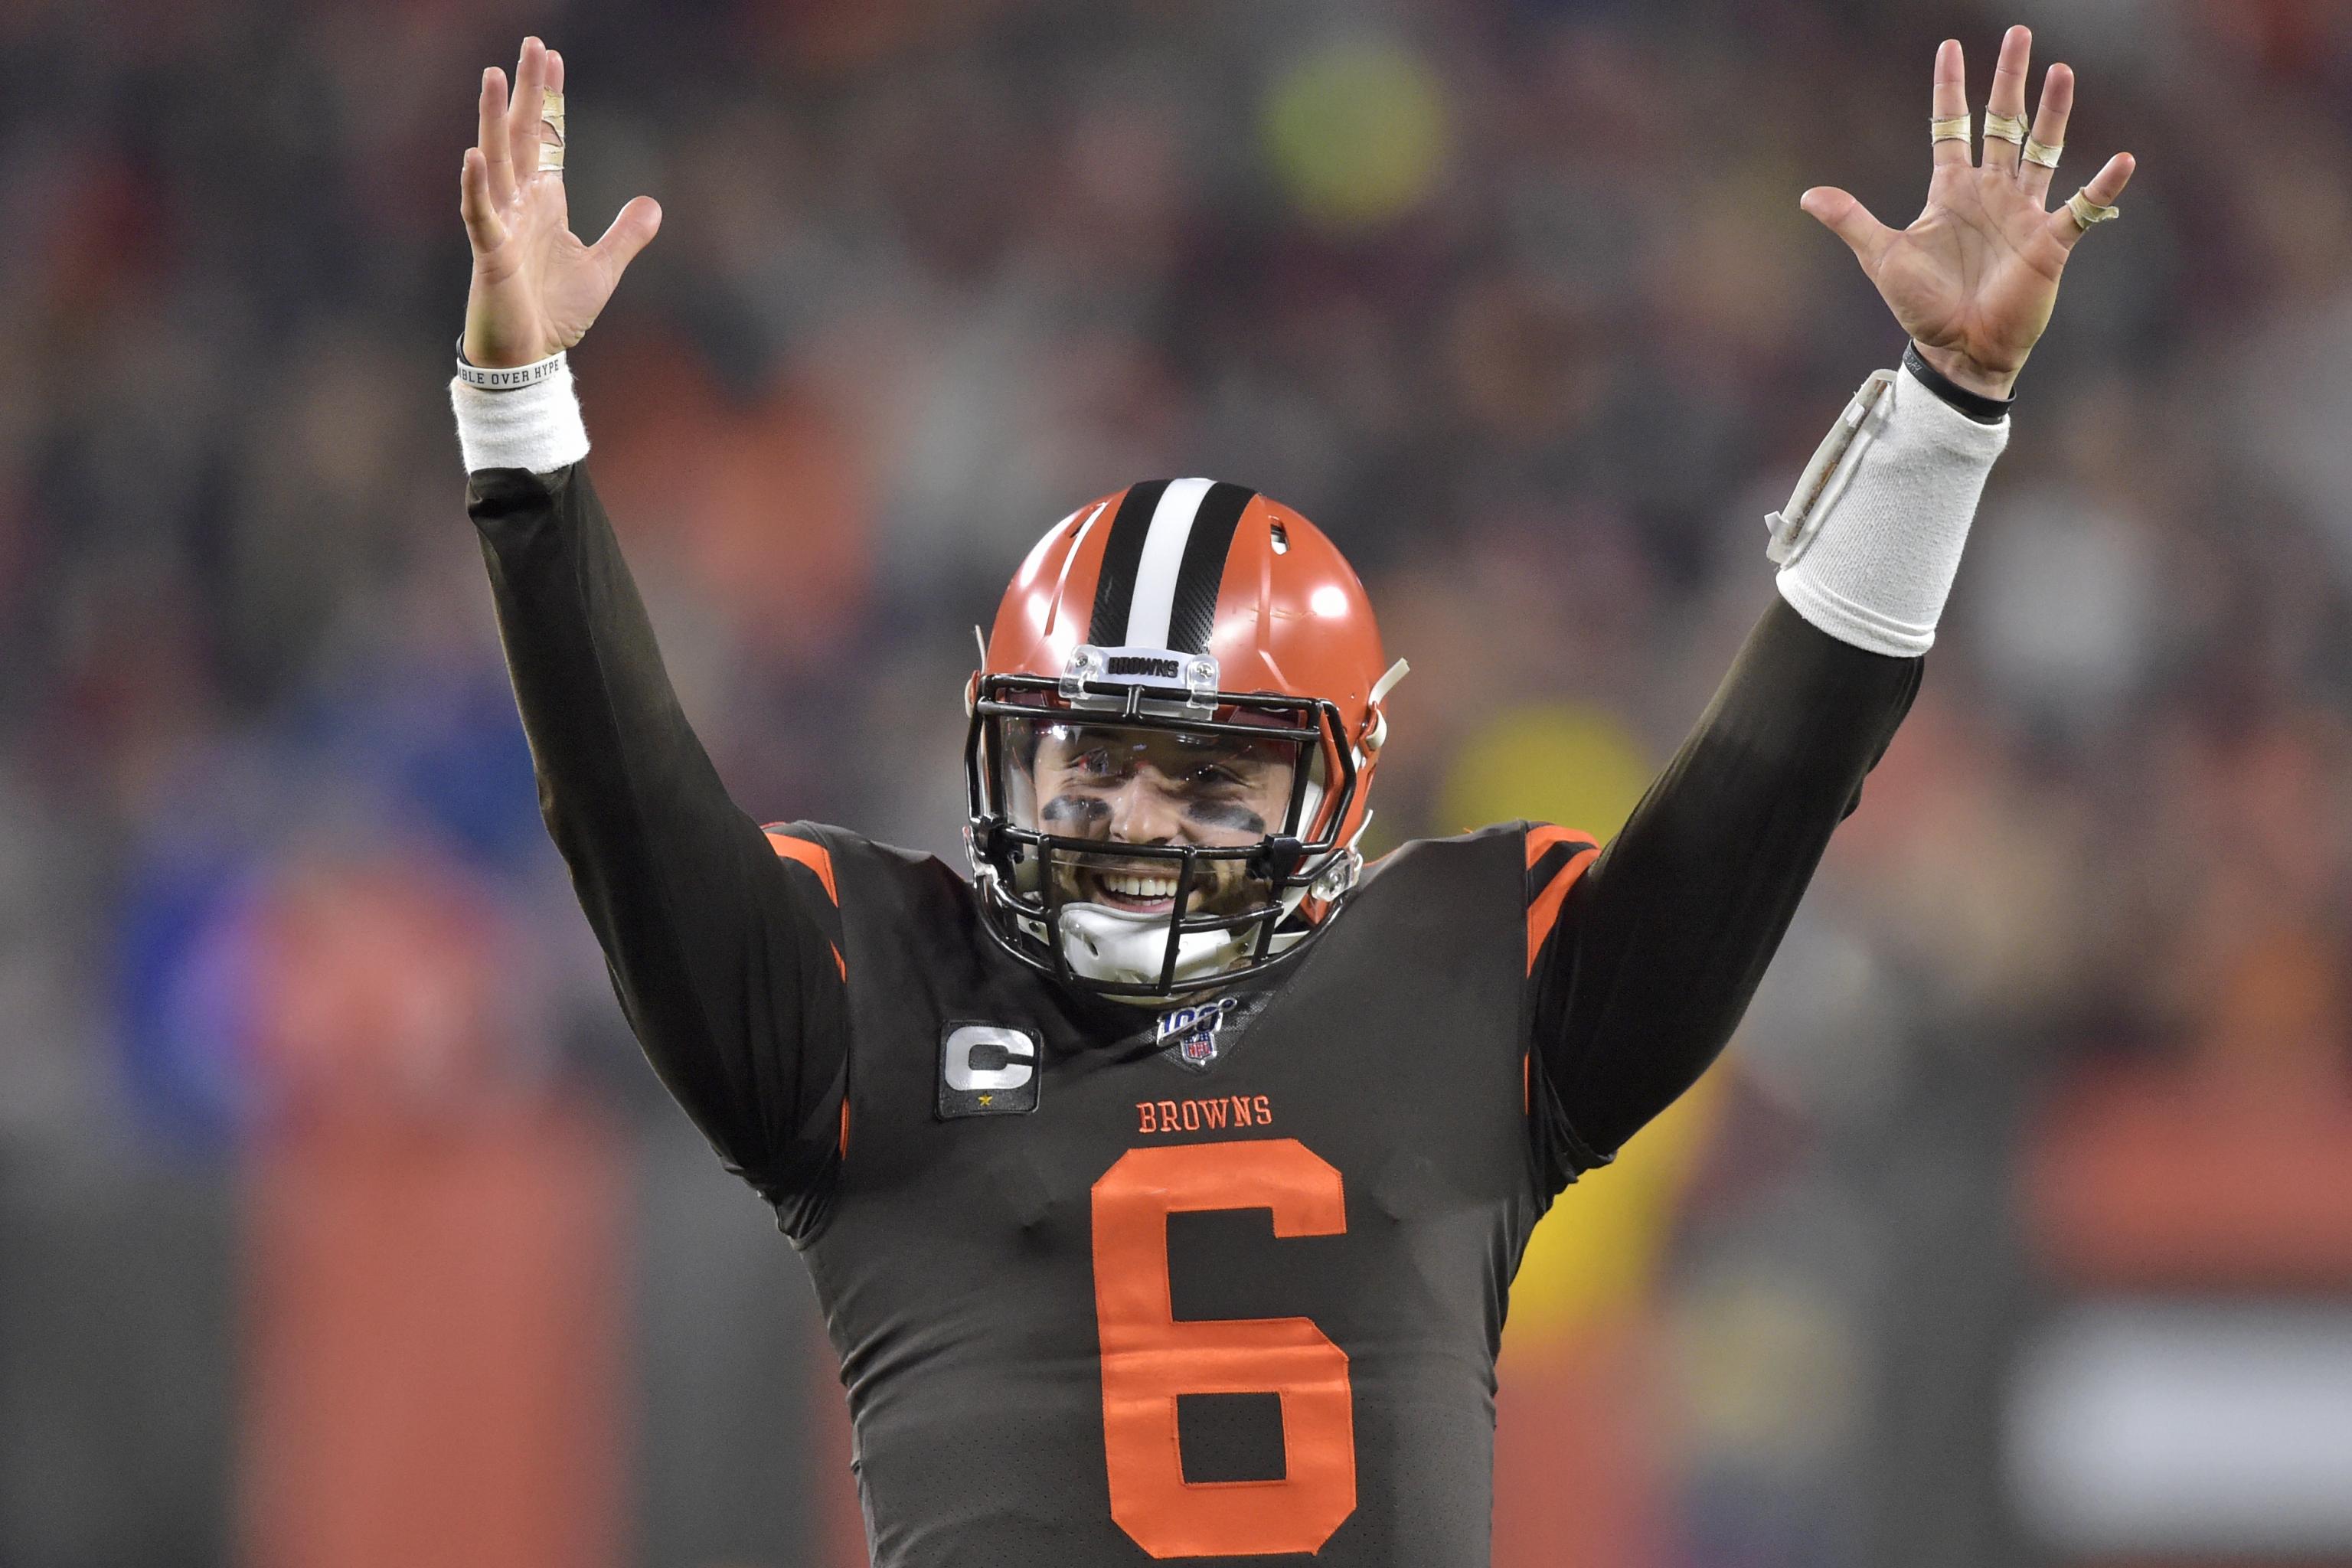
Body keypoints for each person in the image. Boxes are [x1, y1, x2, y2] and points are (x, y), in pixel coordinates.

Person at [450, 28, 2132, 1566]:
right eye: (1091, 755)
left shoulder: (1480, 979)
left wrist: (1942, 420)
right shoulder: (863, 993)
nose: (1135, 815)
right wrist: (521, 421)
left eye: (1208, 774)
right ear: (1001, 747)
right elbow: (621, 799)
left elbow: (1772, 787)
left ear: (1336, 790)